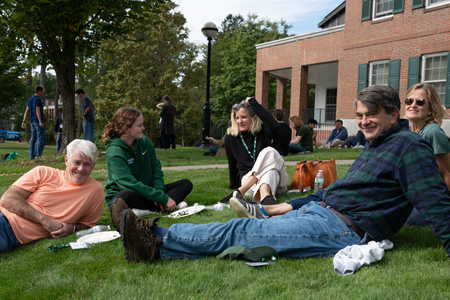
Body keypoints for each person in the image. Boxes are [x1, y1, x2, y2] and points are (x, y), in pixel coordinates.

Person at [114, 85, 450, 263]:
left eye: (370, 115)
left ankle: (157, 235)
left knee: (241, 231)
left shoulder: (409, 147)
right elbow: (339, 191)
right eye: (359, 115)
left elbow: (434, 201)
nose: (362, 122)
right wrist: (287, 206)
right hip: (323, 212)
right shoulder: (379, 145)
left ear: (393, 115)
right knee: (246, 235)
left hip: (342, 229)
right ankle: (154, 249)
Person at [0, 139, 104, 254]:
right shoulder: (43, 172)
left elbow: (87, 224)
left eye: (87, 164)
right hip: (4, 219)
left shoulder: (95, 191)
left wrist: (71, 228)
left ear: (93, 165)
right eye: (76, 162)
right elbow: (7, 199)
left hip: (12, 237)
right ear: (66, 160)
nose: (80, 169)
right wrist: (45, 220)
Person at [102, 107, 193, 230]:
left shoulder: (144, 141)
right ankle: (162, 206)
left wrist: (159, 193)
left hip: (148, 192)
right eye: (140, 125)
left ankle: (146, 210)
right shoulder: (114, 151)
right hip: (128, 194)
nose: (143, 128)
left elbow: (156, 169)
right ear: (126, 129)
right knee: (123, 196)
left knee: (186, 184)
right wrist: (162, 198)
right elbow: (129, 183)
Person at [219, 97, 288, 205]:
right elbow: (232, 163)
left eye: (243, 117)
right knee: (269, 171)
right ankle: (266, 198)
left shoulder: (263, 130)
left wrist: (253, 103)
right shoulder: (230, 137)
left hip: (277, 182)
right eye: (237, 118)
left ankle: (240, 192)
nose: (239, 121)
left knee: (270, 151)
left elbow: (275, 125)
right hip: (250, 181)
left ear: (253, 118)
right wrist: (233, 184)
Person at [404, 83, 450, 226]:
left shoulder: (432, 132)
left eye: (420, 102)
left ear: (430, 110)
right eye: (409, 101)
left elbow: (446, 173)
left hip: (432, 198)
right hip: (414, 193)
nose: (413, 105)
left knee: (405, 220)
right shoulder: (408, 132)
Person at [22, 85, 46, 159]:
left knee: (33, 138)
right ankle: (37, 156)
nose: (42, 93)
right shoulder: (38, 99)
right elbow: (37, 110)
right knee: (40, 138)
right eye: (42, 92)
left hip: (32, 121)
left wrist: (24, 121)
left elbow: (26, 111)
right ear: (39, 91)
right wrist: (40, 121)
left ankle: (31, 156)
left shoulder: (30, 99)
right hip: (38, 121)